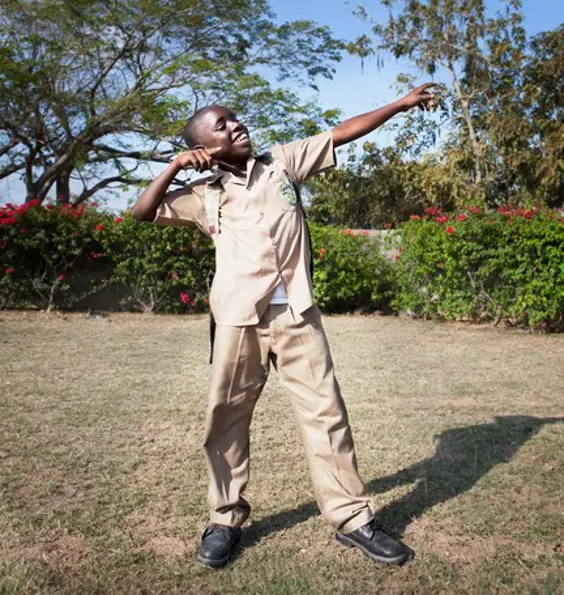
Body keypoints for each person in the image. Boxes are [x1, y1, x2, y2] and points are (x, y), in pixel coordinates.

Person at [131, 83, 436, 568]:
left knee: (326, 414)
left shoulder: (283, 163)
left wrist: (399, 106)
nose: (236, 125)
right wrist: (174, 167)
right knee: (226, 421)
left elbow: (340, 134)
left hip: (297, 314)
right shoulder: (202, 195)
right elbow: (141, 213)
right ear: (203, 145)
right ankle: (225, 519)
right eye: (222, 125)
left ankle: (353, 520)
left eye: (235, 117)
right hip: (237, 320)